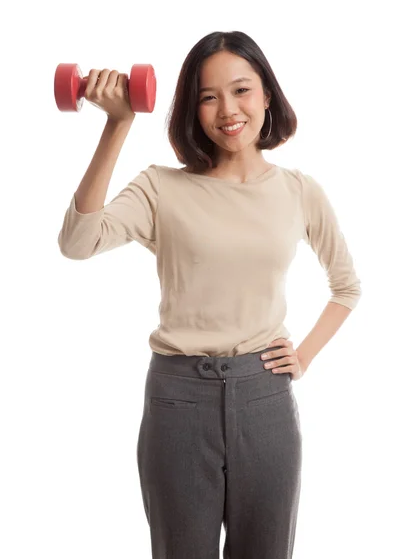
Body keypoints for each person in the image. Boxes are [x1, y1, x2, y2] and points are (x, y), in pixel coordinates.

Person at [58, 31, 362, 558]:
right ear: (191, 110)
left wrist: (303, 356)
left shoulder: (298, 191)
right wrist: (118, 121)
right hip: (179, 399)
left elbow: (346, 287)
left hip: (265, 396)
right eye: (207, 96)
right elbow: (77, 242)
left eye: (242, 90)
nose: (228, 110)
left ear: (267, 94)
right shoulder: (160, 188)